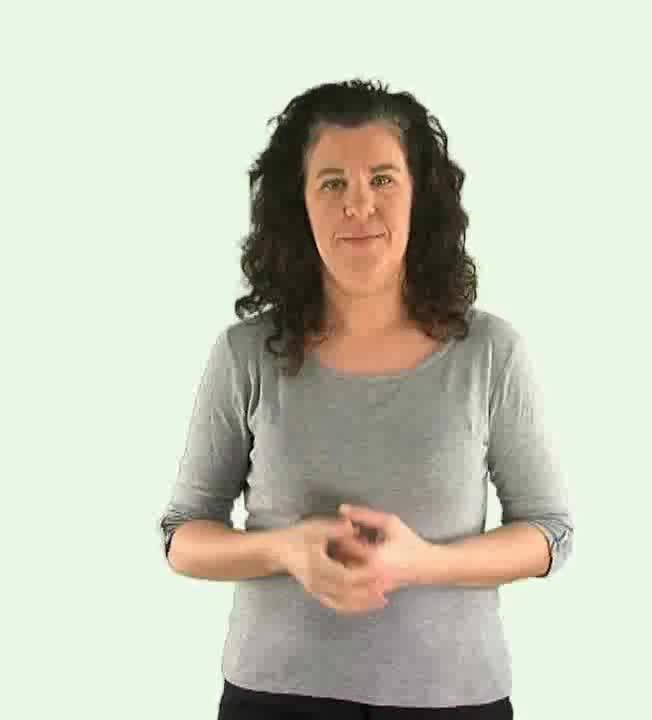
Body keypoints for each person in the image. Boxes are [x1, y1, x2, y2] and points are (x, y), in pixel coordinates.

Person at [157, 78, 574, 719]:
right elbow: (182, 534)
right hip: (275, 699)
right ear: (299, 205)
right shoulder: (245, 354)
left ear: (419, 198)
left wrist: (422, 563)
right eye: (332, 183)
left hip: (453, 700)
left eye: (382, 179)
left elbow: (549, 532)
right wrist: (284, 549)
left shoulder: (492, 352)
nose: (358, 204)